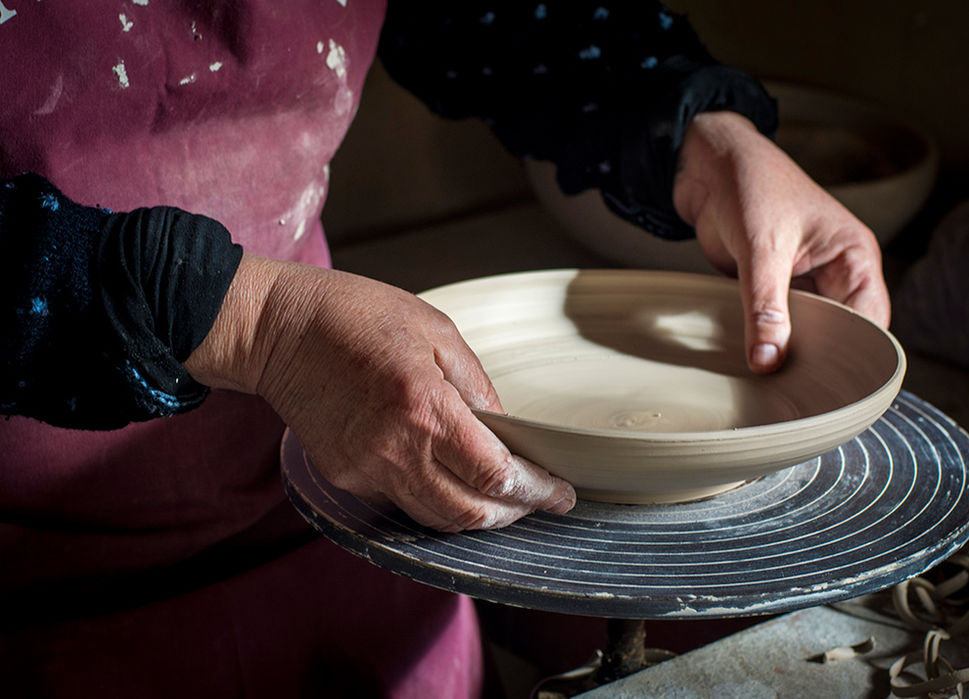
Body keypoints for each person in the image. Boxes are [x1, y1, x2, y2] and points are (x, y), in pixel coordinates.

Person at [0, 1, 889, 697]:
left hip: (352, 467)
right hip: (36, 565)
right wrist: (259, 323)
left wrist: (695, 129)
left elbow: (501, 16)